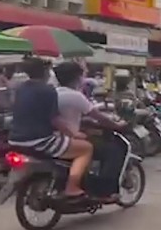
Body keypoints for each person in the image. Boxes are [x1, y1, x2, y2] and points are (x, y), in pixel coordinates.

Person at [8, 58, 94, 198]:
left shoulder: (20, 88)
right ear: (45, 72)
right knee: (86, 148)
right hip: (39, 140)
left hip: (15, 140)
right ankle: (72, 187)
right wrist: (75, 134)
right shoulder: (47, 90)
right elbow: (55, 120)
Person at [53, 62, 128, 197]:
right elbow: (99, 117)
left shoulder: (54, 93)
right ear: (77, 77)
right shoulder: (75, 96)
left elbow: (66, 116)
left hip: (57, 137)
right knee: (113, 151)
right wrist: (116, 126)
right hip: (67, 140)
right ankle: (105, 190)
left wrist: (85, 121)